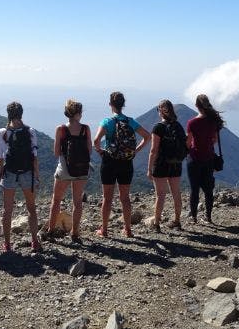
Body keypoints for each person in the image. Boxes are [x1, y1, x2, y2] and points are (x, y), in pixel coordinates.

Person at [93, 91, 150, 237]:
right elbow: (147, 136)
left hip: (109, 162)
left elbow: (96, 141)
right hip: (126, 162)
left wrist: (101, 152)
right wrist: (135, 152)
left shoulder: (107, 122)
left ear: (110, 104)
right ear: (123, 104)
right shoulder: (130, 121)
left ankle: (104, 230)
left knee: (107, 198)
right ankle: (128, 230)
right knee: (125, 197)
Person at [43, 99, 92, 244]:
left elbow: (56, 152)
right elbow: (89, 150)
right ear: (77, 113)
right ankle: (75, 232)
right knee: (77, 202)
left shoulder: (61, 129)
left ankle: (51, 230)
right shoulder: (86, 129)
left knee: (56, 200)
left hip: (64, 170)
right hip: (82, 169)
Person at [0, 102, 41, 252]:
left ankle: (7, 244)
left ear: (8, 114)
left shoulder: (3, 133)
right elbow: (34, 156)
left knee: (7, 210)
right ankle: (34, 241)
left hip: (9, 173)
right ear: (21, 114)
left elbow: (0, 158)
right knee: (31, 208)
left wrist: (0, 175)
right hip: (27, 172)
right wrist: (37, 175)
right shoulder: (30, 131)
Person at [147, 99, 186, 232]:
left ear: (160, 111)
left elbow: (153, 150)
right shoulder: (179, 126)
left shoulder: (158, 127)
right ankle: (177, 221)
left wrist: (149, 168)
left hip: (161, 165)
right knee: (176, 193)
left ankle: (156, 224)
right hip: (176, 164)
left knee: (160, 195)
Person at [186, 94, 225, 224]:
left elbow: (188, 142)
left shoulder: (192, 123)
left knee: (194, 189)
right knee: (208, 190)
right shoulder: (213, 121)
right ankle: (208, 217)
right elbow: (214, 139)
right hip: (208, 158)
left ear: (196, 106)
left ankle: (194, 217)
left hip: (194, 158)